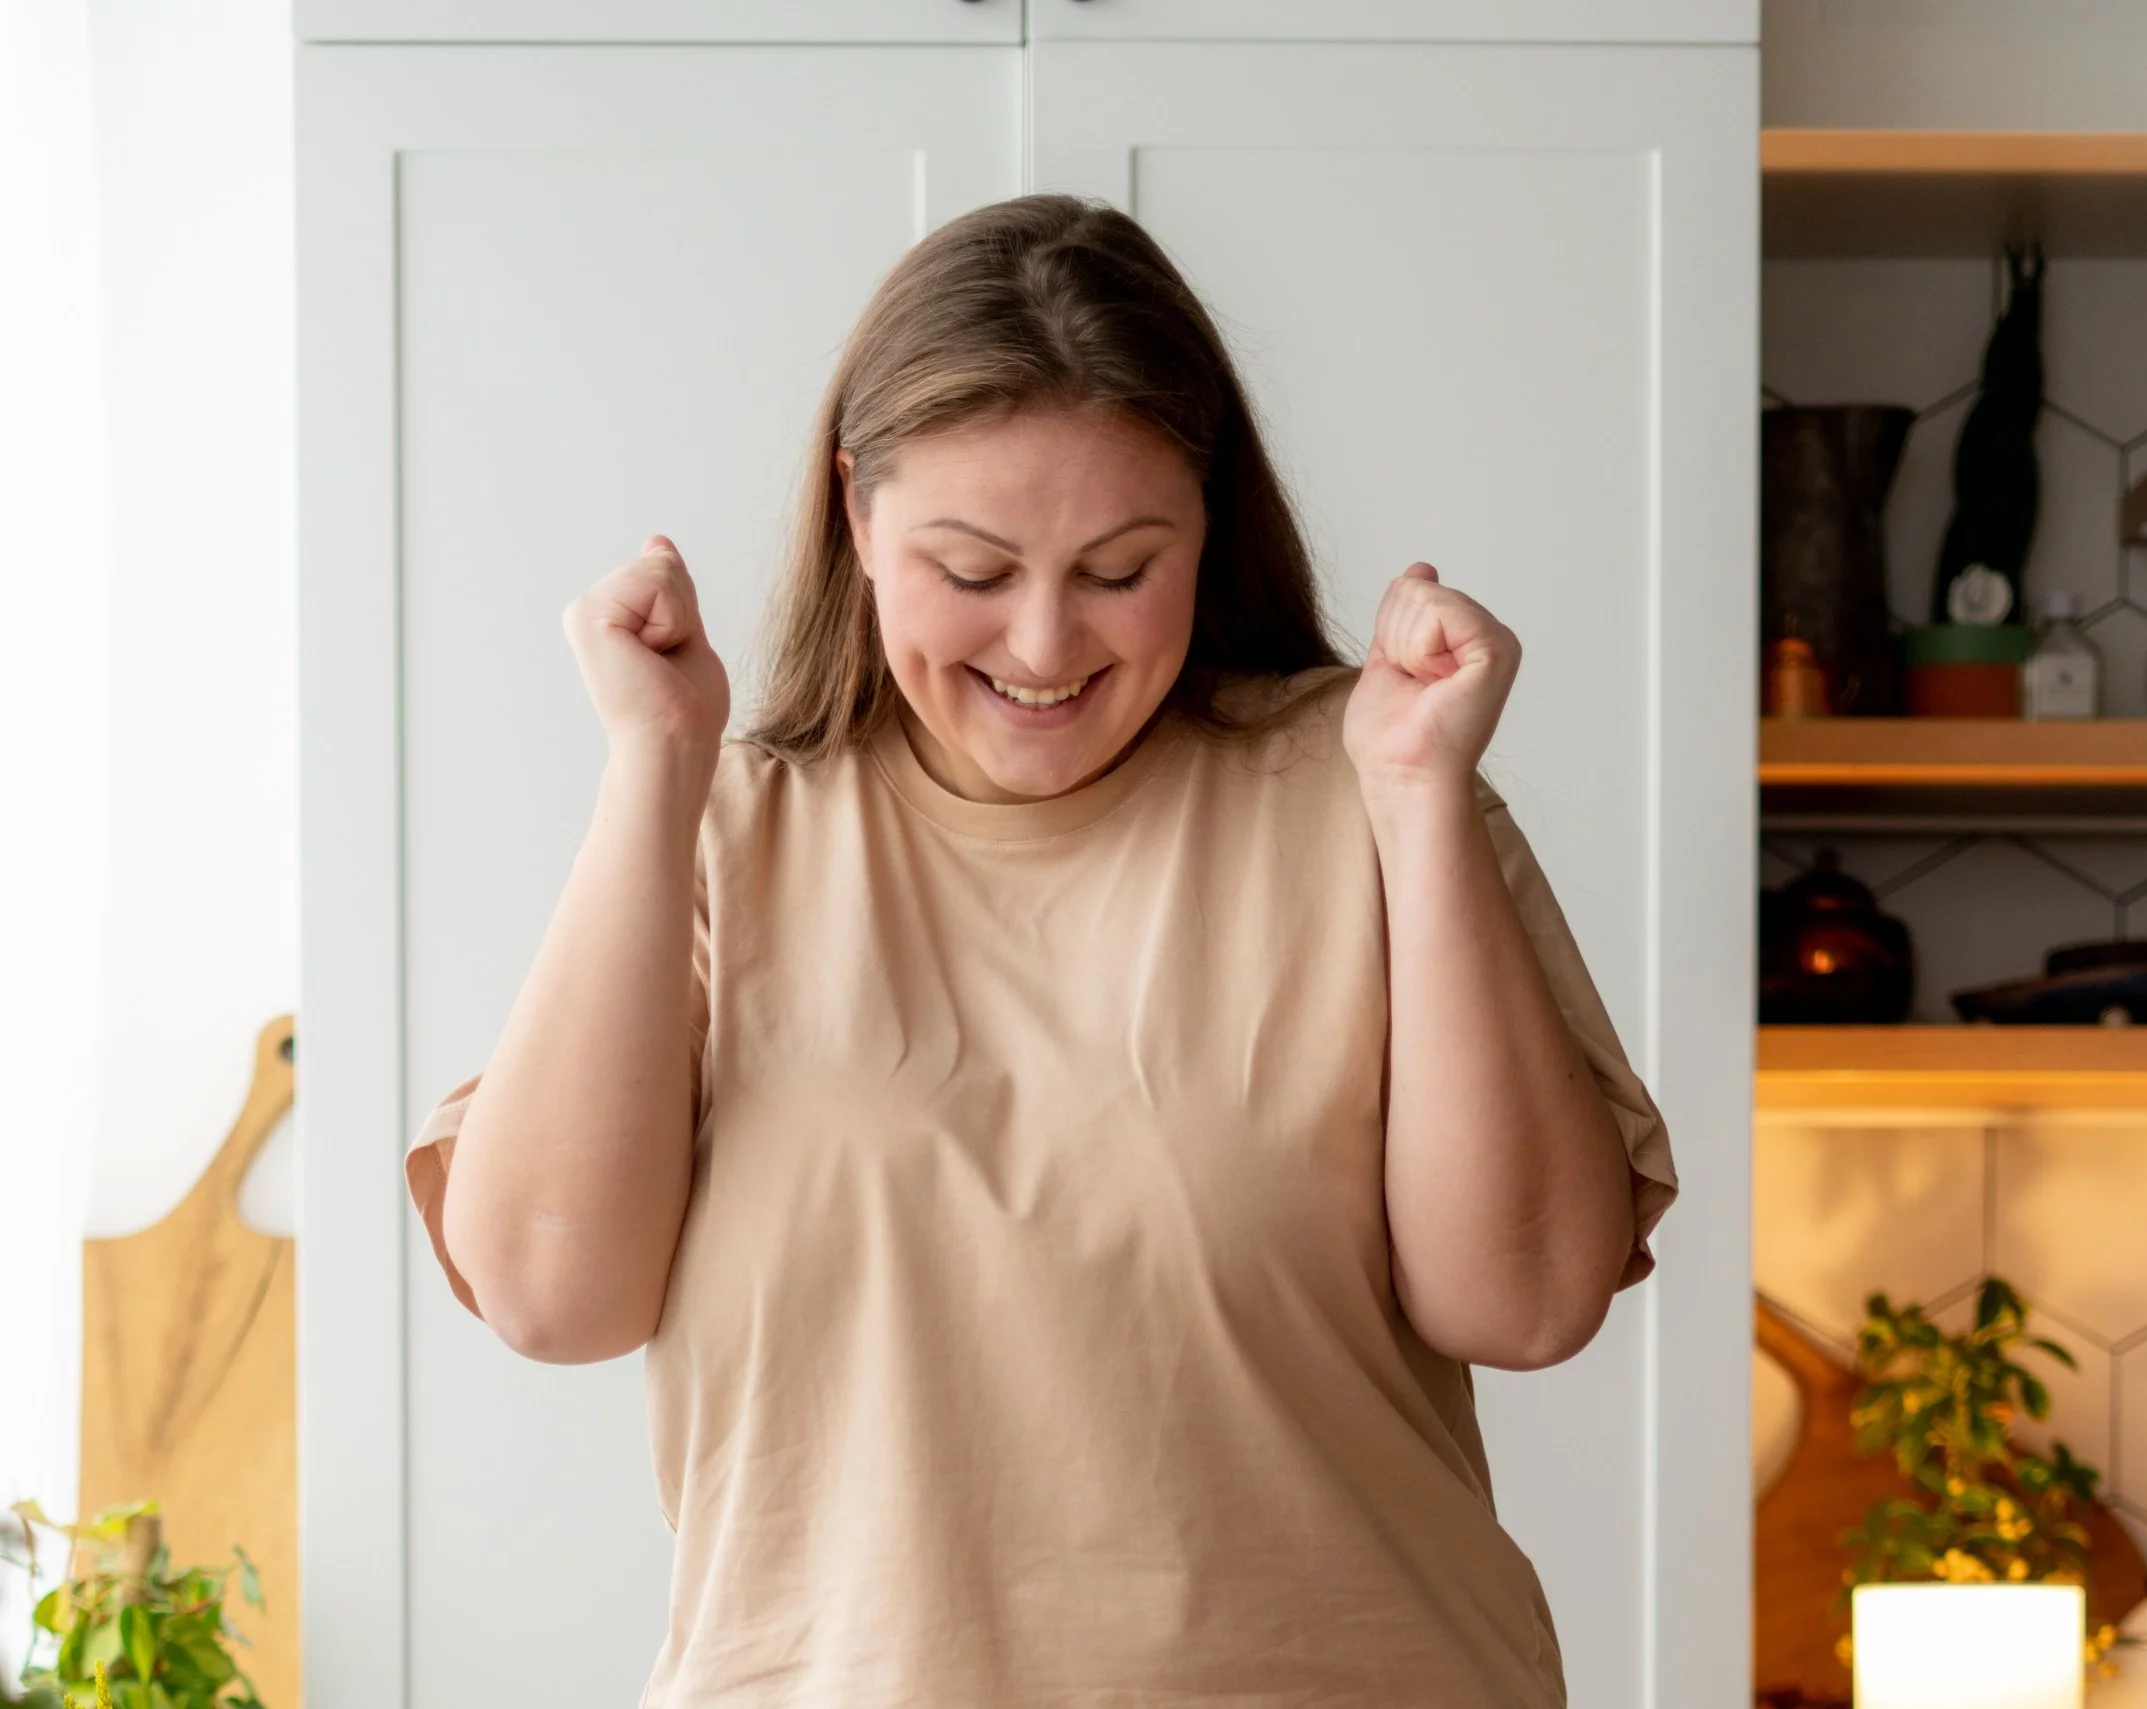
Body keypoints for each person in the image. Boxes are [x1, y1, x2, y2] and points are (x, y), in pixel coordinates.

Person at [404, 192, 1676, 1709]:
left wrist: (1414, 794)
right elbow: (550, 1294)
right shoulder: (722, 830)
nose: (1044, 646)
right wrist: (655, 771)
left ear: (1210, 525)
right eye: (975, 569)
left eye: (1120, 569)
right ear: (856, 517)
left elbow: (1524, 1301)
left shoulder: (1371, 792)